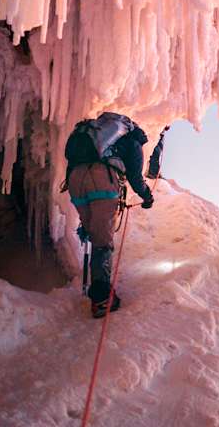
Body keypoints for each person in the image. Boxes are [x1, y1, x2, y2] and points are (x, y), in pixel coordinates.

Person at [64, 112, 154, 318]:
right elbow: (135, 178)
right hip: (102, 179)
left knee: (94, 234)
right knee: (102, 241)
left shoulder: (94, 136)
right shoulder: (133, 141)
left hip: (76, 181)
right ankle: (102, 298)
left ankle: (97, 287)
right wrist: (147, 197)